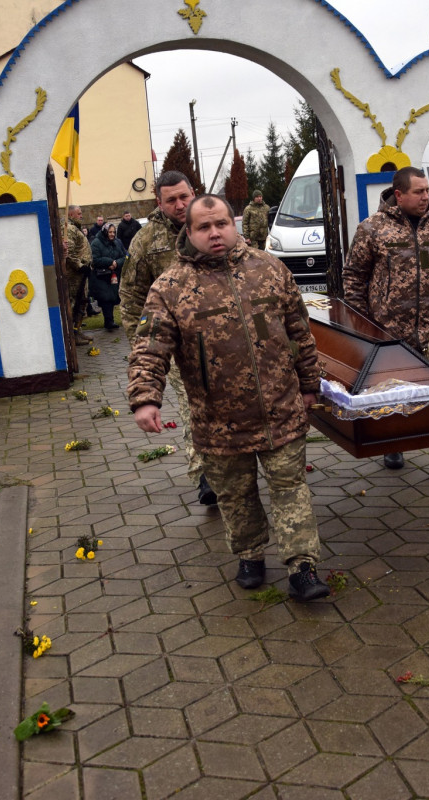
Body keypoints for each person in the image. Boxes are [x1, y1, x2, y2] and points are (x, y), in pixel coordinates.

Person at [127, 194, 329, 601]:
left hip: (280, 408)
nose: (214, 233)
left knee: (290, 488)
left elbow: (299, 332)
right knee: (236, 495)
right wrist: (145, 398)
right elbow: (149, 347)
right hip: (218, 419)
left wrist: (310, 385)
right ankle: (251, 554)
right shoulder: (169, 288)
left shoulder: (270, 269)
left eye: (221, 223)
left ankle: (302, 567)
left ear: (234, 224)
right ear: (189, 231)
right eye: (204, 227)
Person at [343, 165, 429, 475]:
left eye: (427, 190)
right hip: (389, 329)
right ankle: (393, 443)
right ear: (398, 195)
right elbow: (354, 277)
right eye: (418, 192)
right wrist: (363, 324)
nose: (426, 196)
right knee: (392, 390)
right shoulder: (372, 228)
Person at [120, 171, 217, 505]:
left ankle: (233, 465)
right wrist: (143, 347)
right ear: (158, 203)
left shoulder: (212, 227)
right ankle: (204, 473)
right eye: (171, 199)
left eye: (184, 196)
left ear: (194, 193)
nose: (179, 204)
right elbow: (131, 298)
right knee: (193, 405)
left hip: (223, 338)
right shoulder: (146, 241)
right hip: (175, 345)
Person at [63, 206, 93, 345]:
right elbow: (68, 252)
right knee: (74, 303)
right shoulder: (68, 228)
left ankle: (77, 330)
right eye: (79, 213)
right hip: (74, 275)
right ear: (70, 214)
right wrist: (80, 266)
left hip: (82, 274)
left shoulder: (76, 227)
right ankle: (72, 335)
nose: (81, 215)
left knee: (82, 302)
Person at [90, 223, 125, 330]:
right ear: (105, 232)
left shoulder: (117, 242)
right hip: (101, 276)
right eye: (110, 232)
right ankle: (108, 322)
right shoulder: (96, 243)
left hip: (115, 275)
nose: (112, 234)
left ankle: (111, 321)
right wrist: (109, 262)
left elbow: (125, 256)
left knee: (114, 297)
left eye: (114, 232)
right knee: (106, 299)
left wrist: (116, 263)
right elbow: (94, 260)